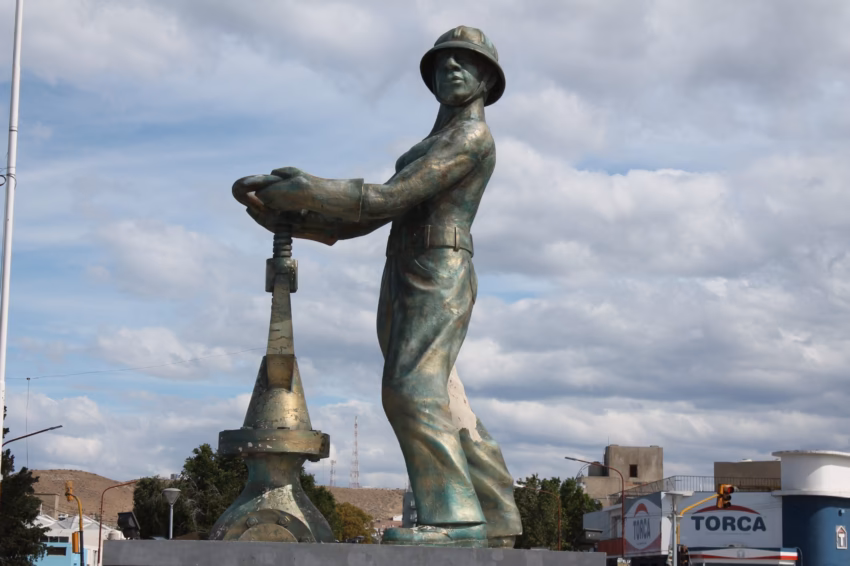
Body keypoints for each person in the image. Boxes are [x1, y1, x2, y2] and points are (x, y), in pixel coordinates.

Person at [233, 25, 521, 548]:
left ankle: (457, 521)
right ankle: (497, 512)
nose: (450, 69)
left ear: (487, 79)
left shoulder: (471, 137)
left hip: (440, 267)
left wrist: (313, 190)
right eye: (442, 63)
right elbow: (373, 217)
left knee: (411, 390)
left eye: (464, 62)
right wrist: (295, 217)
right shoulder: (434, 141)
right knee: (441, 393)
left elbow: (391, 198)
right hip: (407, 268)